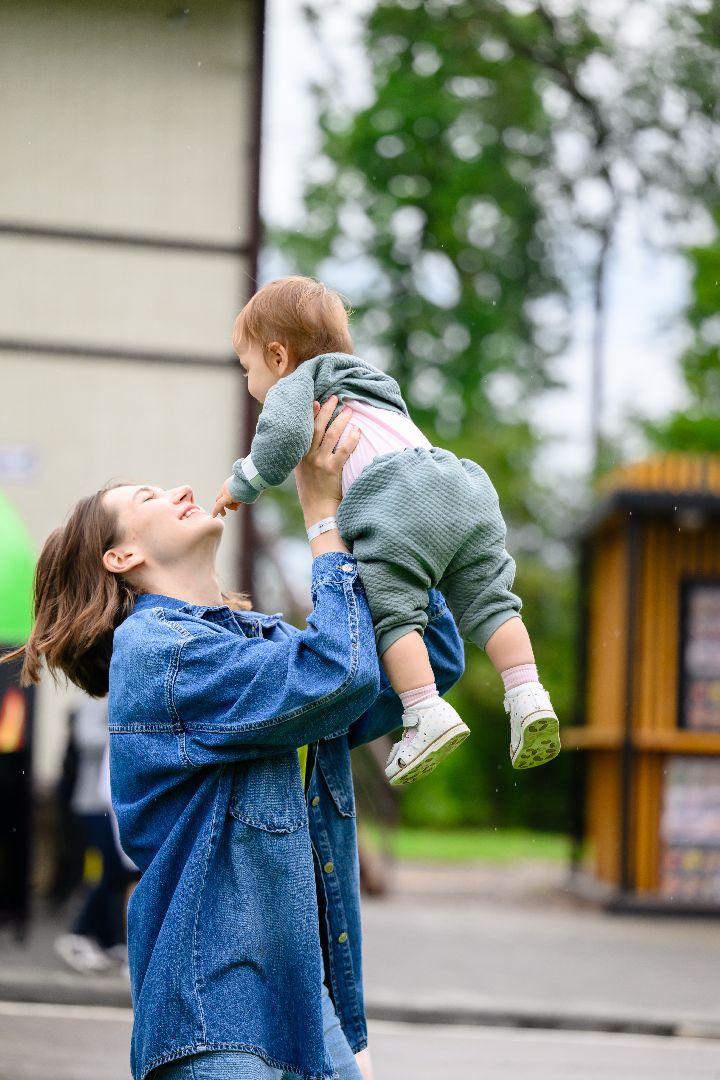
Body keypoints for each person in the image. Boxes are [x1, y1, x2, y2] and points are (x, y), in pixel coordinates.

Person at [4, 400, 464, 1080]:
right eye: (149, 497)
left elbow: (426, 664)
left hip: (303, 1013)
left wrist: (385, 501)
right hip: (214, 1021)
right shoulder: (159, 653)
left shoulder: (259, 645)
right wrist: (323, 520)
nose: (181, 491)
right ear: (122, 555)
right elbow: (339, 672)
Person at [213, 276, 561, 786]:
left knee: (392, 615)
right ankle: (527, 693)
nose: (249, 384)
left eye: (248, 368)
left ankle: (424, 712)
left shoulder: (297, 384)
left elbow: (283, 436)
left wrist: (241, 483)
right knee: (490, 601)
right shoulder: (370, 380)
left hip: (395, 499)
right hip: (456, 481)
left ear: (278, 355)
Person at [53, 694, 135, 975]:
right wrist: (128, 730)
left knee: (118, 874)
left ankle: (109, 940)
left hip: (110, 804)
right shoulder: (97, 697)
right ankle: (78, 934)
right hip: (93, 803)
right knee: (106, 871)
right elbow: (86, 738)